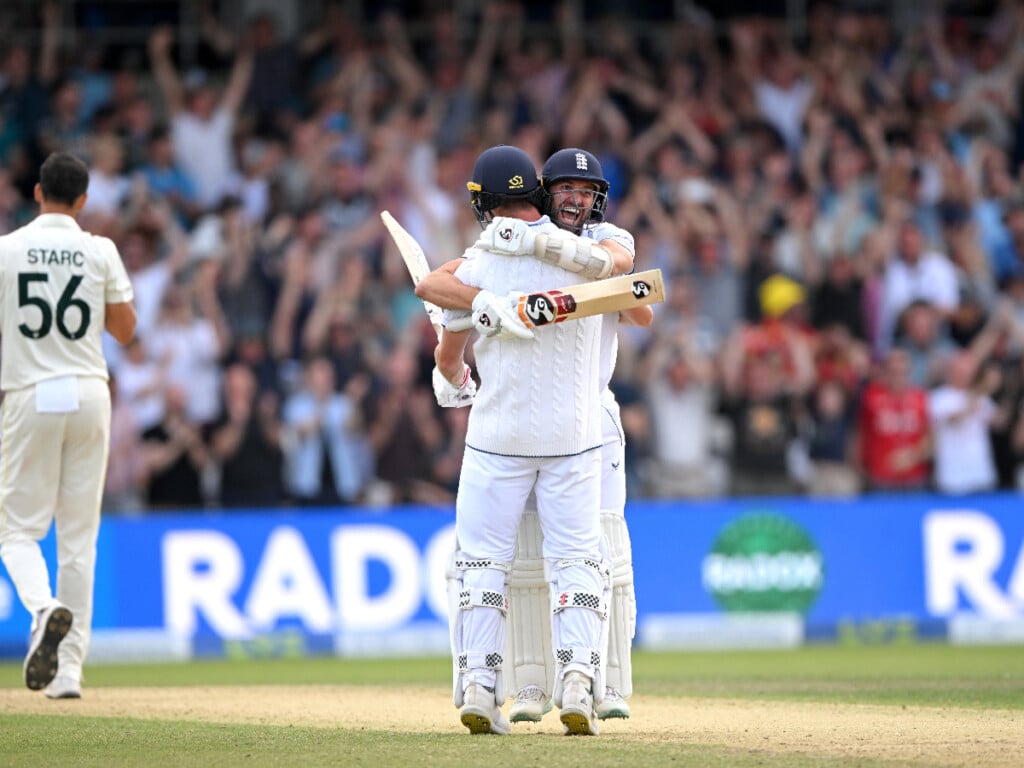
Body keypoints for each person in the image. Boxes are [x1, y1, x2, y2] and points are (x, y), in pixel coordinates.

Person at [431, 145, 617, 736]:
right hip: (575, 438)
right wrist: (496, 303)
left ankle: (480, 688)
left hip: (496, 439)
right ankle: (579, 686)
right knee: (578, 562)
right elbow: (624, 277)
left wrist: (482, 305)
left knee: (482, 564)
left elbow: (437, 319)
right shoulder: (588, 257)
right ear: (539, 193)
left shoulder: (477, 262)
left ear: (483, 203)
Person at [0, 151, 136, 699]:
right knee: (79, 539)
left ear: (37, 193)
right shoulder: (99, 248)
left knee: (15, 529)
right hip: (88, 391)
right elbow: (125, 330)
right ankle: (69, 672)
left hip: (30, 391)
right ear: (83, 200)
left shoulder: (6, 250)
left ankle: (42, 605)